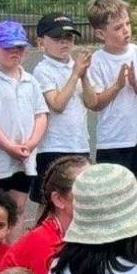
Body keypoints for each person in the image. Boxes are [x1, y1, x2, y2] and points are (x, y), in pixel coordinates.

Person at [82, 0, 137, 178]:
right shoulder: (97, 61)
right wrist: (117, 86)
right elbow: (96, 103)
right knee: (111, 189)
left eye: (127, 24)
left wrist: (136, 85)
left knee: (133, 187)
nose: (126, 30)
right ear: (101, 34)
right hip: (111, 139)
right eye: (118, 27)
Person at [0, 20, 47, 218]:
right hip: (0, 158)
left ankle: (13, 249)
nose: (14, 52)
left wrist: (32, 143)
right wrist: (9, 147)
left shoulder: (30, 81)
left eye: (19, 47)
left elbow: (40, 114)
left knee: (18, 208)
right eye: (8, 47)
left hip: (25, 156)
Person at [32, 13, 93, 190]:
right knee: (49, 201)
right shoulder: (42, 70)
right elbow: (57, 104)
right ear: (41, 42)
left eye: (69, 37)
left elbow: (91, 102)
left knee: (78, 199)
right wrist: (75, 75)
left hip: (79, 143)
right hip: (54, 146)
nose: (65, 42)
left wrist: (84, 76)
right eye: (58, 38)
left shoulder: (76, 66)